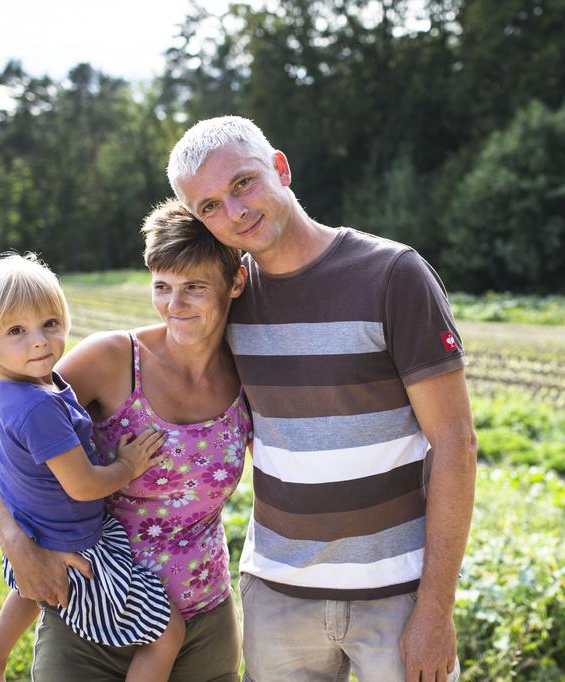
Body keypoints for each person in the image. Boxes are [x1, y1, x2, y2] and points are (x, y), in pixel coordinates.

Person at [167, 116, 478, 681]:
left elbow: (455, 442)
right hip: (278, 594)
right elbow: (145, 372)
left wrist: (437, 608)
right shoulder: (228, 302)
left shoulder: (393, 276)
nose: (234, 212)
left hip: (398, 594)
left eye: (243, 184)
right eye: (209, 206)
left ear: (280, 168)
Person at [0, 203, 251, 682]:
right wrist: (19, 546)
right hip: (90, 616)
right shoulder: (112, 359)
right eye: (162, 287)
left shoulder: (251, 369)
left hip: (205, 617)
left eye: (194, 288)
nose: (174, 306)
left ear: (235, 283)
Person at [0, 253, 184, 682]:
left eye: (50, 324)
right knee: (168, 633)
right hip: (79, 548)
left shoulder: (17, 388)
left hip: (41, 531)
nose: (40, 341)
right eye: (17, 331)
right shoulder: (38, 407)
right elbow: (83, 486)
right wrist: (127, 465)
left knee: (31, 591)